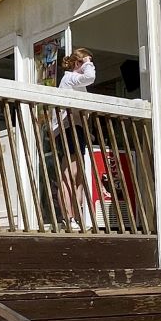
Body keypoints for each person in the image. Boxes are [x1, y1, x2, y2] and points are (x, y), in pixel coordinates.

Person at [53, 48, 95, 231]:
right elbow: (90, 77)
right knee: (70, 173)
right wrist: (88, 64)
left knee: (77, 175)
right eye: (85, 62)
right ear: (77, 63)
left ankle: (76, 216)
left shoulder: (74, 81)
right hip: (68, 127)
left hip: (75, 127)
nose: (89, 65)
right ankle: (68, 217)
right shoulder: (69, 77)